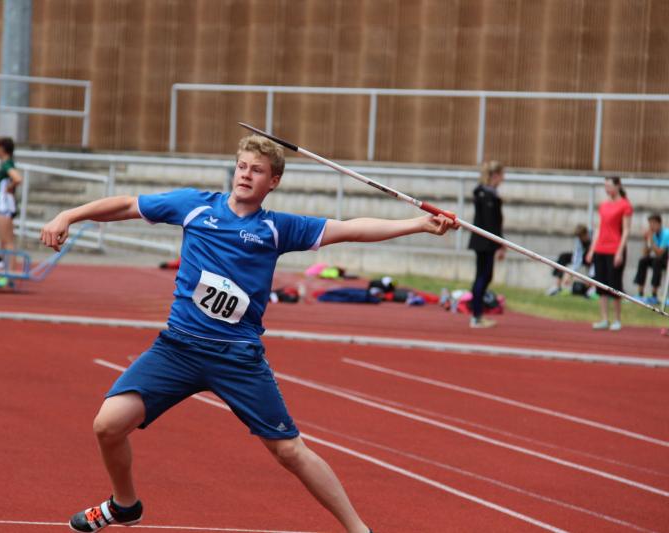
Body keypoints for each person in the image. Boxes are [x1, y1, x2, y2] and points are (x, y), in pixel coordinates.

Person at [40, 135, 457, 533]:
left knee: (289, 451)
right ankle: (125, 505)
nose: (245, 175)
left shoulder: (278, 228)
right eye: (241, 167)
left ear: (273, 181)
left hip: (236, 357)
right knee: (107, 425)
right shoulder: (195, 206)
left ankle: (359, 529)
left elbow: (351, 228)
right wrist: (68, 215)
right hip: (178, 349)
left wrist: (419, 224)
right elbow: (128, 204)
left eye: (256, 170)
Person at [585, 176, 632, 331]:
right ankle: (604, 318)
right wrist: (592, 249)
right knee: (601, 284)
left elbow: (626, 231)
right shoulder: (603, 205)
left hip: (615, 249)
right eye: (605, 186)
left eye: (610, 186)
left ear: (618, 186)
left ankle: (617, 319)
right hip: (600, 249)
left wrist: (619, 252)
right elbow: (599, 228)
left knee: (615, 284)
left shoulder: (625, 205)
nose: (607, 189)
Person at [467, 160, 505, 328]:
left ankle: (477, 313)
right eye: (501, 175)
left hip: (484, 241)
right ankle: (476, 315)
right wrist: (500, 244)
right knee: (483, 276)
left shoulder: (488, 194)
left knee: (484, 276)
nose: (503, 178)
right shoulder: (486, 195)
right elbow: (491, 224)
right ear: (495, 175)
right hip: (484, 242)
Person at [0, 137, 23, 263]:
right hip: (2, 206)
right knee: (3, 241)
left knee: (8, 241)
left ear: (2, 149)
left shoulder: (7, 164)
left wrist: (9, 187)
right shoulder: (5, 164)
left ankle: (10, 272)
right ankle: (3, 267)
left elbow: (18, 178)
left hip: (6, 207)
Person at [547, 224, 592, 296]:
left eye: (581, 237)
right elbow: (577, 257)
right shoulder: (579, 240)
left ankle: (592, 288)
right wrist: (570, 273)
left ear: (585, 234)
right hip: (583, 257)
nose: (580, 239)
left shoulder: (593, 237)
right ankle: (557, 286)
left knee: (594, 261)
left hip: (593, 257)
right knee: (563, 256)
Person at [633, 213, 669, 305]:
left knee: (657, 262)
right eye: (650, 224)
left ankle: (654, 294)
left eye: (653, 223)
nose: (651, 226)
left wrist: (651, 241)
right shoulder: (652, 235)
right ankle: (640, 293)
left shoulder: (666, 234)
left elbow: (660, 253)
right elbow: (645, 253)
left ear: (659, 223)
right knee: (643, 261)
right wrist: (647, 240)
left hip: (665, 260)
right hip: (658, 259)